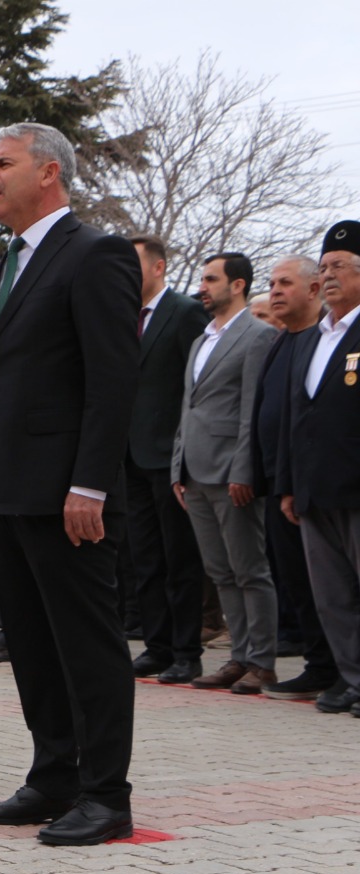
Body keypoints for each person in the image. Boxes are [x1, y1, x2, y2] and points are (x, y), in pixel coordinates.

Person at [0, 122, 141, 846]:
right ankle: (52, 777)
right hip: (6, 493)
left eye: (2, 162)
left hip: (68, 495)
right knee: (31, 646)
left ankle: (105, 794)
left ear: (50, 174)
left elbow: (111, 380)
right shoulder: (1, 267)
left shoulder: (94, 255)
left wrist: (90, 485)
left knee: (87, 647)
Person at [171, 253, 279, 693]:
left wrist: (245, 468)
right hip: (194, 472)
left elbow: (253, 408)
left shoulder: (258, 336)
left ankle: (263, 662)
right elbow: (188, 405)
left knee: (250, 569)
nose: (203, 287)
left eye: (211, 279)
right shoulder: (201, 340)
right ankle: (239, 657)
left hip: (232, 472)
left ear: (237, 285)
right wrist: (178, 464)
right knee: (220, 571)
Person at [277, 221, 360, 715]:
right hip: (314, 488)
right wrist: (288, 485)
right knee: (332, 596)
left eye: (340, 267)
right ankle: (352, 678)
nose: (328, 276)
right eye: (324, 267)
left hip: (356, 485)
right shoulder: (315, 337)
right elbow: (296, 414)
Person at [254, 256, 341, 702]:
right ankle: (320, 664)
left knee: (327, 584)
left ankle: (341, 669)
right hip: (278, 480)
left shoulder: (322, 341)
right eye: (271, 284)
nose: (275, 291)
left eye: (285, 283)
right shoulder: (280, 342)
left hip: (319, 482)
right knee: (296, 580)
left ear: (312, 290)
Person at [125, 235, 210, 685]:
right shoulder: (122, 316)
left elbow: (194, 387)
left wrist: (183, 453)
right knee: (146, 557)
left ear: (158, 268)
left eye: (134, 264)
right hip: (130, 457)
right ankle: (156, 646)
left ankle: (186, 651)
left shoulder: (184, 312)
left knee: (180, 559)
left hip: (169, 456)